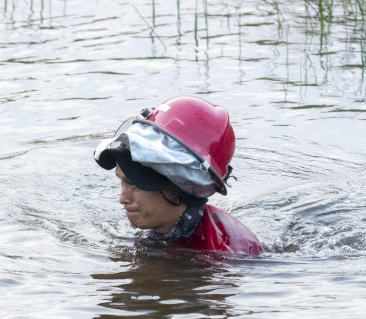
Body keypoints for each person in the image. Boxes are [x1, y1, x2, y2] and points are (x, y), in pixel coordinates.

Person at [93, 95, 264, 256]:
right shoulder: (153, 225)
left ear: (176, 189)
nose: (122, 199)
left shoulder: (222, 253)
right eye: (122, 182)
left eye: (134, 184)